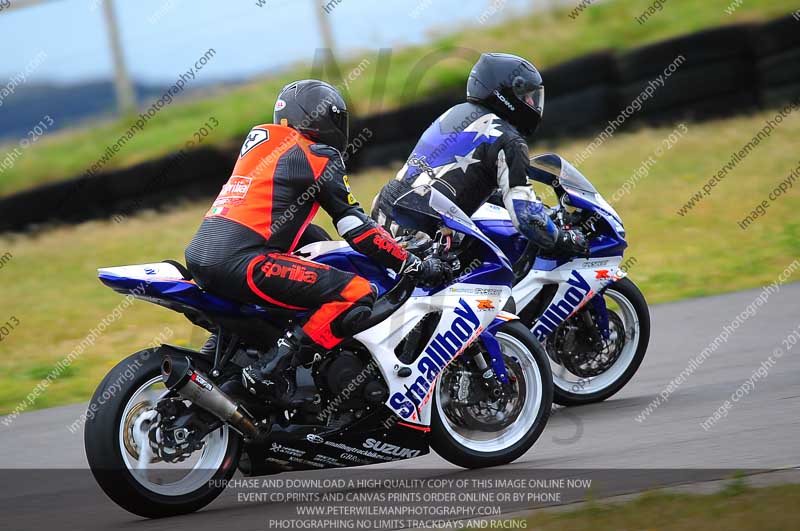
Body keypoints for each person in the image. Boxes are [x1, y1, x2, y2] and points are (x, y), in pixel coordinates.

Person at [185, 79, 443, 403]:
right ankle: (268, 371)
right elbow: (355, 226)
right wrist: (410, 262)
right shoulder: (316, 154)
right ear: (319, 118)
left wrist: (327, 243)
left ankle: (223, 371)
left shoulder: (263, 145)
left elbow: (285, 224)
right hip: (243, 263)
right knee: (355, 292)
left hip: (201, 256)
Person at [372, 52, 588, 257]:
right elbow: (526, 217)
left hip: (383, 210)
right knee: (498, 280)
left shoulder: (455, 113)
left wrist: (541, 210)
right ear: (507, 94)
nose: (532, 103)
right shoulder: (509, 140)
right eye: (527, 96)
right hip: (418, 232)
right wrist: (564, 239)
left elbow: (467, 183)